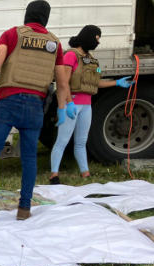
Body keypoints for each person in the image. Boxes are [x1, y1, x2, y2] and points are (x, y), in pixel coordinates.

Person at [0, 0, 72, 221]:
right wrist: (62, 108)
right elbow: (62, 83)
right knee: (29, 157)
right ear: (46, 18)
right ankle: (24, 209)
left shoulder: (11, 34)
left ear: (27, 15)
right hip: (35, 105)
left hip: (9, 101)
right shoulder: (55, 43)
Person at [49, 25, 133, 184]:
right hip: (72, 104)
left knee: (81, 141)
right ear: (87, 37)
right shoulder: (71, 56)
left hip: (86, 105)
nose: (98, 42)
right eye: (96, 38)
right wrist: (69, 102)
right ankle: (54, 174)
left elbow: (94, 83)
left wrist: (116, 83)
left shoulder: (91, 59)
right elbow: (64, 83)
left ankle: (85, 173)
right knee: (62, 140)